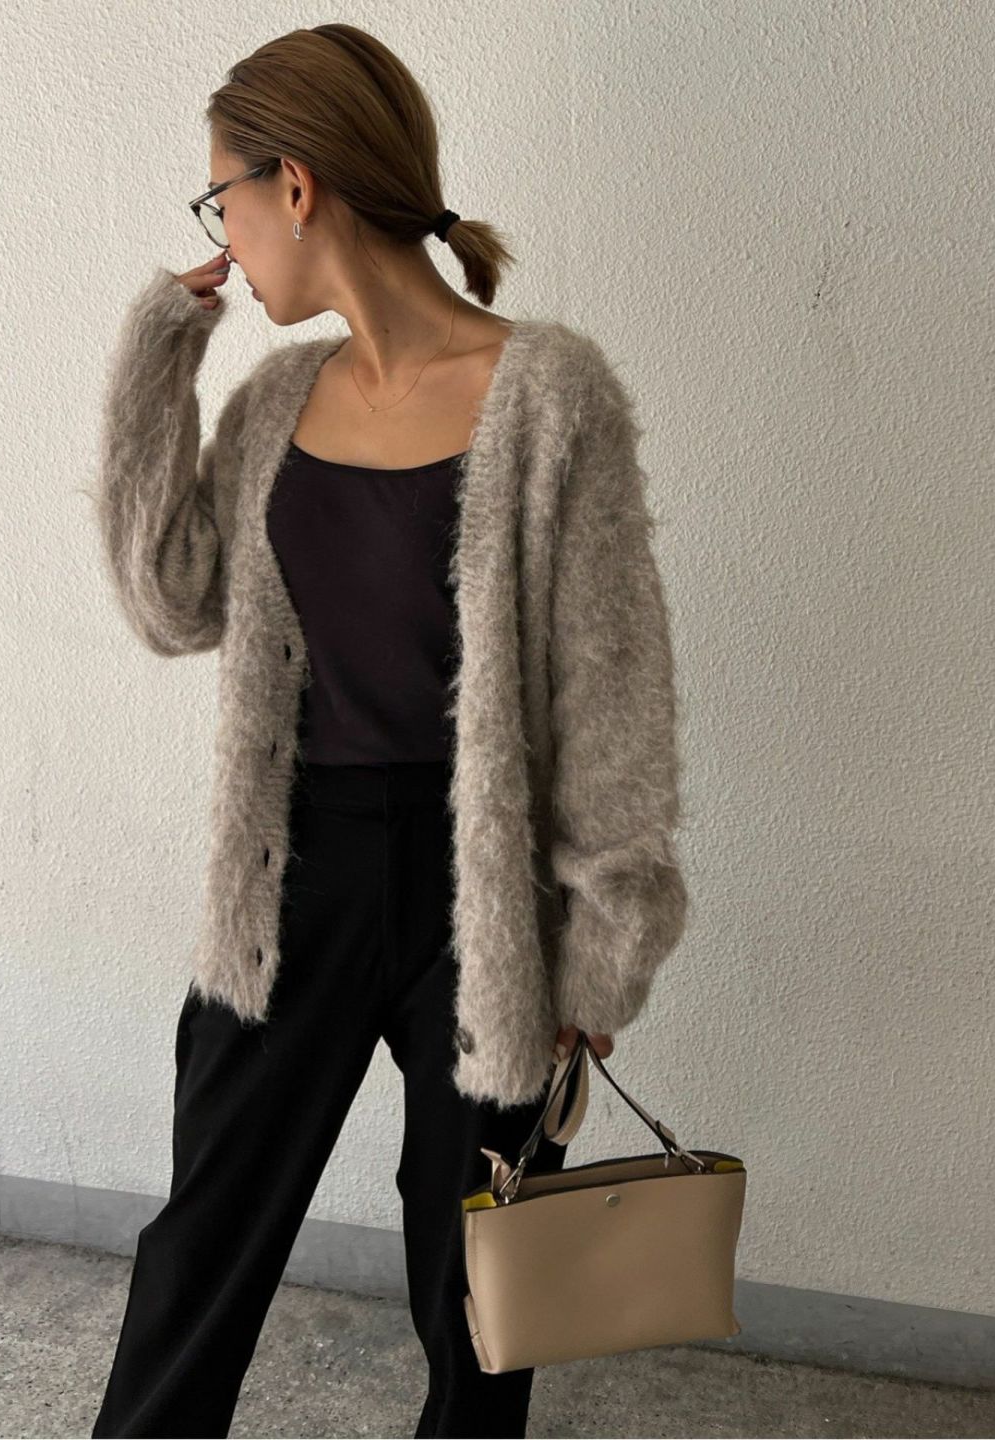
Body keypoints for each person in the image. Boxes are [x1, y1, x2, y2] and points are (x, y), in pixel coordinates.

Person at [89, 21, 687, 1440]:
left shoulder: (551, 397)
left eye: (223, 198)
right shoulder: (275, 400)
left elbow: (613, 696)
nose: (224, 238)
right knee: (200, 1255)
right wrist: (159, 355)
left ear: (295, 188)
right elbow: (172, 601)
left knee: (475, 1298)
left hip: (484, 907)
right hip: (288, 880)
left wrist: (602, 945)